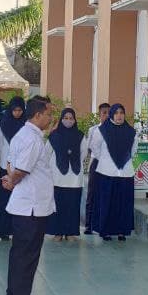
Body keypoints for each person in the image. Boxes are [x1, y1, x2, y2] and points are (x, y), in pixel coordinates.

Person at [1, 97, 56, 295]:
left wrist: (10, 179)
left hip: (27, 205)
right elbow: (22, 169)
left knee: (20, 254)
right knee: (26, 256)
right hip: (31, 207)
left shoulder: (23, 134)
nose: (51, 118)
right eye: (48, 114)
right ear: (37, 115)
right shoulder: (32, 139)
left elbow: (9, 163)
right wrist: (12, 181)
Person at [90, 103, 136, 241]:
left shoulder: (131, 132)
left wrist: (123, 161)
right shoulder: (102, 130)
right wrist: (106, 160)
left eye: (121, 113)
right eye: (116, 113)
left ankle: (122, 231)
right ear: (111, 115)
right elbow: (94, 147)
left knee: (123, 203)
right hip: (106, 172)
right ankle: (106, 231)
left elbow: (133, 150)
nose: (119, 116)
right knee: (107, 203)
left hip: (125, 173)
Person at [46, 108, 87, 240]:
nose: (68, 121)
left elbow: (83, 153)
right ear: (61, 119)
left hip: (74, 177)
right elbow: (46, 153)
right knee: (58, 205)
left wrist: (74, 161)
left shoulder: (80, 136)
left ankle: (70, 232)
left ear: (74, 120)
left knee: (72, 205)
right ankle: (58, 232)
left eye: (71, 118)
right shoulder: (54, 135)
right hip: (57, 176)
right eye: (66, 118)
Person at [0, 96, 26, 240]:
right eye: (15, 110)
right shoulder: (4, 125)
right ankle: (3, 230)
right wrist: (7, 159)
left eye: (20, 110)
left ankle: (18, 231)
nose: (17, 113)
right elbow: (0, 145)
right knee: (4, 200)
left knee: (20, 200)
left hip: (22, 169)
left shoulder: (26, 126)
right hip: (6, 167)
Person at [83, 103, 110, 234]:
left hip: (110, 166)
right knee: (92, 194)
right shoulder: (93, 130)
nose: (107, 115)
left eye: (109, 113)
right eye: (104, 113)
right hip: (96, 163)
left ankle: (105, 225)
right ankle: (89, 225)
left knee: (107, 195)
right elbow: (88, 148)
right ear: (99, 115)